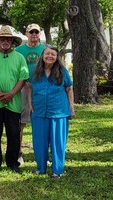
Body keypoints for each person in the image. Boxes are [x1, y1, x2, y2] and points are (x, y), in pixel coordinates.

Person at [0, 25, 28, 172]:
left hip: (13, 103)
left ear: (12, 41)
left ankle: (13, 163)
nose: (5, 41)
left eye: (8, 38)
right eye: (2, 38)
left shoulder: (19, 57)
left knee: (14, 134)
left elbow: (23, 78)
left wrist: (11, 94)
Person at [27, 45, 75, 177]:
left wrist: (71, 108)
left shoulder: (62, 71)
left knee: (58, 142)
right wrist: (30, 104)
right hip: (38, 111)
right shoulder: (34, 71)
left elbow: (69, 89)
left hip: (58, 112)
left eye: (53, 54)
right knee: (39, 142)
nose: (50, 56)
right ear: (42, 56)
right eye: (47, 54)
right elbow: (29, 87)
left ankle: (57, 170)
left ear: (56, 57)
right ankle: (40, 168)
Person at [16, 23, 45, 163]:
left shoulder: (45, 49)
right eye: (31, 32)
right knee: (21, 122)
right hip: (23, 88)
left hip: (40, 89)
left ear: (40, 34)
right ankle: (18, 153)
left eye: (36, 32)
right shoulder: (18, 50)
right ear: (26, 34)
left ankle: (42, 153)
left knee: (41, 122)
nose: (34, 34)